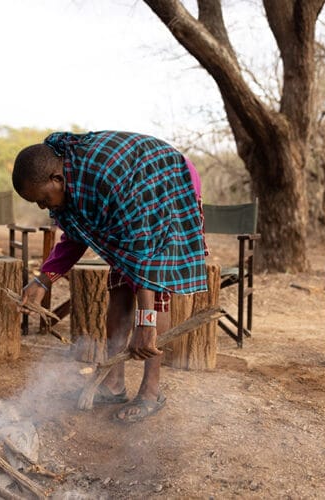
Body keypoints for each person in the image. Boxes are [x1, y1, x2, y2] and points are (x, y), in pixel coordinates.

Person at [12, 130, 207, 423]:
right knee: (118, 288)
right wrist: (44, 279)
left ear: (57, 179)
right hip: (132, 207)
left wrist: (146, 322)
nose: (42, 207)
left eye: (42, 200)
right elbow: (75, 236)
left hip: (166, 186)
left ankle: (150, 391)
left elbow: (145, 255)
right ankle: (113, 383)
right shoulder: (70, 186)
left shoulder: (106, 178)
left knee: (157, 292)